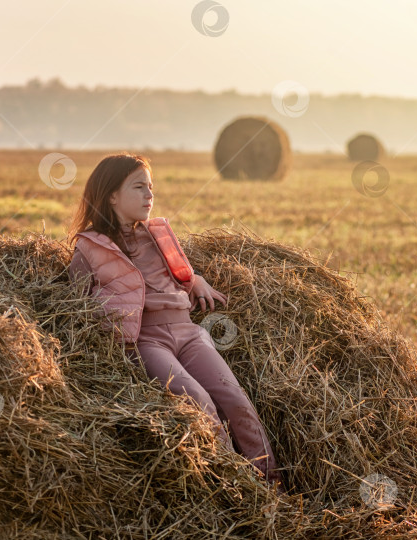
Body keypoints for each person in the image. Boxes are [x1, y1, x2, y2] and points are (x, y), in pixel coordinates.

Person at [66, 152, 286, 495]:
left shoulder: (159, 235)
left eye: (151, 187)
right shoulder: (90, 248)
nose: (149, 195)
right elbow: (75, 306)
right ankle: (240, 492)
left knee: (235, 399)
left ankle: (273, 488)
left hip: (189, 331)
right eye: (139, 187)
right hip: (146, 340)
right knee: (198, 401)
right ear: (111, 195)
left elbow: (180, 271)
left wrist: (195, 278)